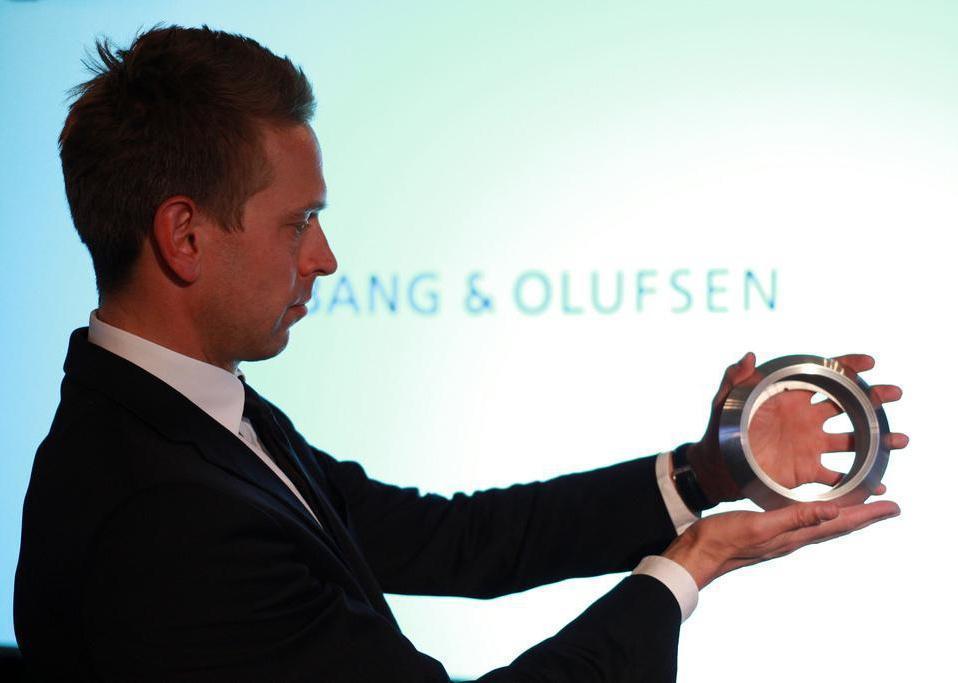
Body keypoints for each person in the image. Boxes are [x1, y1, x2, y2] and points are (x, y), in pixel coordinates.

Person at [14, 25, 908, 682]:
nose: (325, 257)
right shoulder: (162, 514)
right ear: (185, 235)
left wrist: (707, 471)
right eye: (299, 221)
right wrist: (687, 568)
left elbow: (456, 541)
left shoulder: (194, 418)